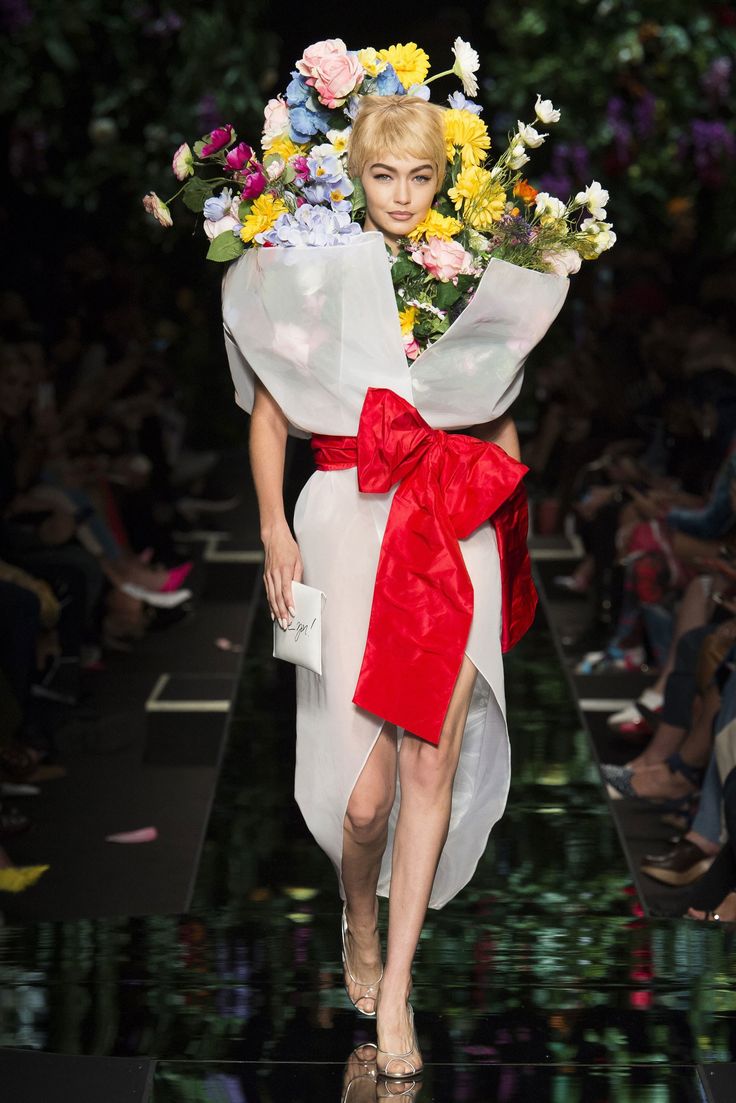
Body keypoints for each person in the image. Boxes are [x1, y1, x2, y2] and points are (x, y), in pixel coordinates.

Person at [226, 95, 567, 1080]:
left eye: (420, 176)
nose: (404, 195)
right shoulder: (313, 276)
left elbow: (498, 411)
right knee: (364, 800)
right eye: (385, 176)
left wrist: (503, 517)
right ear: (358, 176)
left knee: (428, 765)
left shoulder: (466, 277)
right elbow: (271, 408)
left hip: (445, 522)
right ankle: (359, 918)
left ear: (440, 178)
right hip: (343, 518)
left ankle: (402, 980)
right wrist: (270, 526)